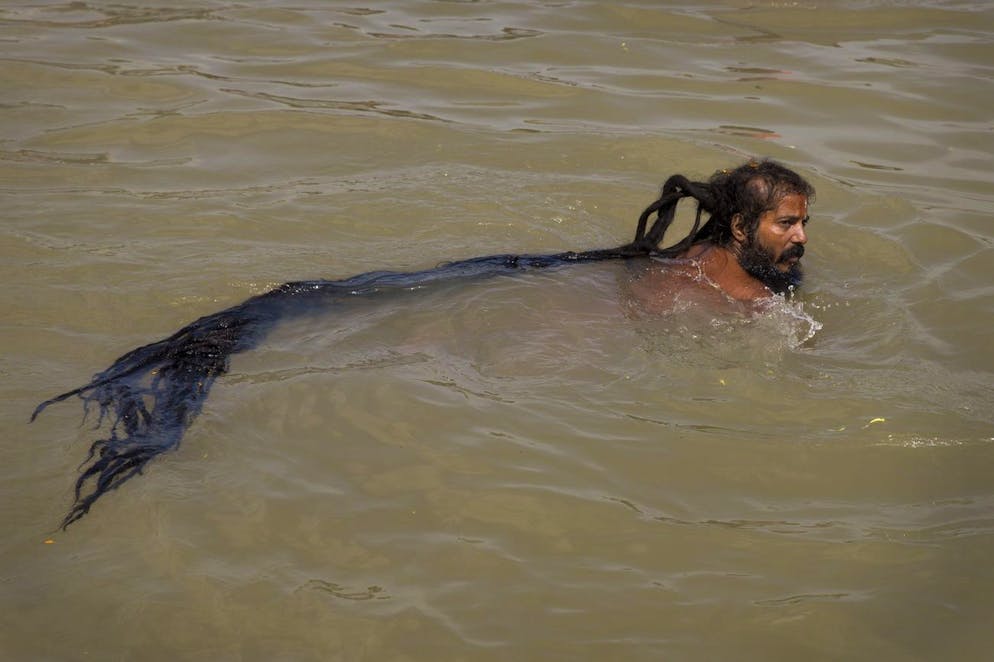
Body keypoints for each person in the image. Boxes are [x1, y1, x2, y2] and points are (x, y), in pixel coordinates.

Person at [618, 158, 815, 308]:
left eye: (802, 223)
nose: (802, 237)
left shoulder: (697, 251)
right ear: (740, 228)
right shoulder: (754, 300)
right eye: (786, 223)